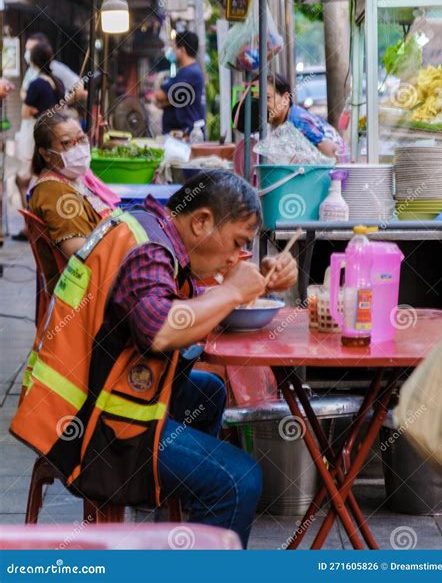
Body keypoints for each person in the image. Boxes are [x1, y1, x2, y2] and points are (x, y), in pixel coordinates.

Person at [11, 170, 298, 548]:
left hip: (83, 398)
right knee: (238, 480)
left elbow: (177, 296)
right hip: (86, 427)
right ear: (201, 222)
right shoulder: (147, 250)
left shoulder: (150, 229)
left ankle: (172, 533)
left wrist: (243, 281)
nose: (234, 257)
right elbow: (160, 330)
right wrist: (230, 291)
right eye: (236, 244)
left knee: (208, 392)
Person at [27, 111, 120, 291]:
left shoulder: (78, 179)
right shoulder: (56, 193)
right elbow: (83, 257)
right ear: (46, 154)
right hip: (89, 293)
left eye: (81, 139)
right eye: (66, 143)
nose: (78, 148)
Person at [13, 43, 68, 241]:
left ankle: (31, 226)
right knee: (46, 179)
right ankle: (45, 224)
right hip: (54, 138)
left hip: (36, 137)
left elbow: (25, 112)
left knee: (24, 180)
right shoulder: (58, 82)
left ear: (34, 61)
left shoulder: (36, 84)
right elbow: (60, 110)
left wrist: (39, 111)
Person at [266, 73, 345, 158]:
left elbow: (331, 152)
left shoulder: (298, 121)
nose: (261, 104)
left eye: (267, 98)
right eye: (258, 99)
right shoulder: (281, 121)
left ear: (285, 98)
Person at [155, 31, 206, 136]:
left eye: (174, 48)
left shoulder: (190, 73)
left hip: (187, 135)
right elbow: (166, 100)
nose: (172, 51)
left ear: (182, 50)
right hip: (180, 134)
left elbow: (160, 96)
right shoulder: (184, 72)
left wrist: (168, 100)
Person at [21, 32, 86, 102]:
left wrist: (58, 106)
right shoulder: (31, 70)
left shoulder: (57, 68)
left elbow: (80, 89)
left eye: (31, 50)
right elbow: (23, 90)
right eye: (26, 50)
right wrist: (31, 104)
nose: (27, 53)